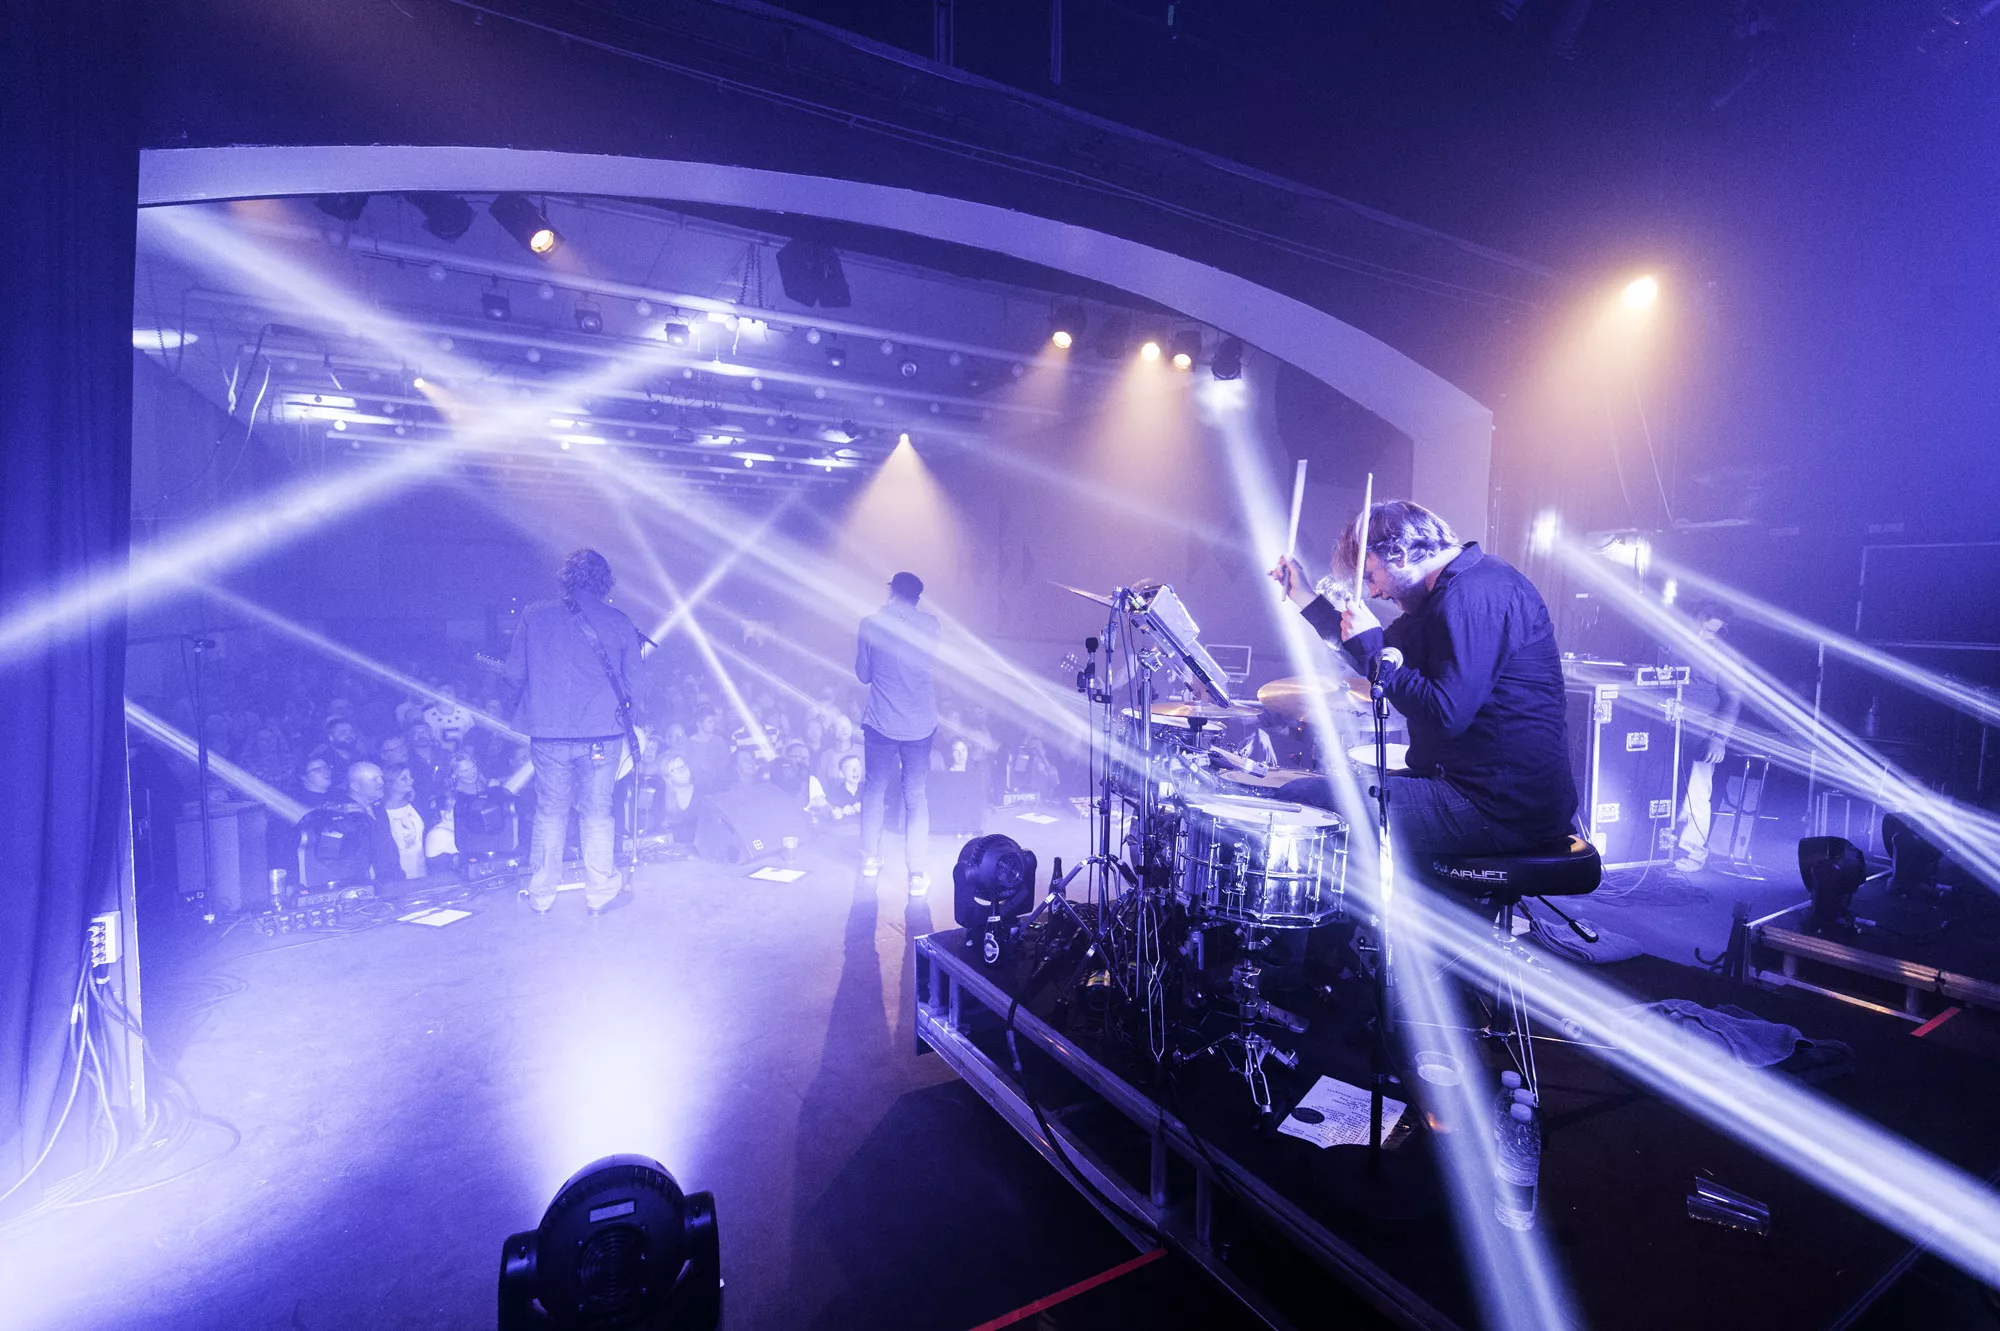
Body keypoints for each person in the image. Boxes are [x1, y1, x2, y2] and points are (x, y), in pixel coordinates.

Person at [1271, 499, 1576, 854]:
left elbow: (1445, 714)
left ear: (1399, 555)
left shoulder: (1475, 596)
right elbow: (1374, 655)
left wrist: (1372, 646)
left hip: (1501, 809)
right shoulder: (1444, 594)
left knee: (1305, 800)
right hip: (1469, 787)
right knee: (1316, 790)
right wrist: (1305, 596)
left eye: (1370, 576)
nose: (1373, 592)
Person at [504, 548, 644, 916]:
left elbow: (513, 674)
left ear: (566, 578)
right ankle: (599, 895)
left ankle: (541, 896)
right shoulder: (618, 620)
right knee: (597, 811)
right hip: (602, 733)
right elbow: (636, 683)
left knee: (550, 812)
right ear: (605, 581)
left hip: (548, 733)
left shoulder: (535, 615)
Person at [855, 570, 942, 894]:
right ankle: (916, 875)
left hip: (882, 721)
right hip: (919, 725)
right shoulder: (932, 625)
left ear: (891, 591)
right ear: (917, 598)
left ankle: (869, 860)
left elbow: (863, 675)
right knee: (916, 797)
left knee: (874, 791)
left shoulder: (871, 623)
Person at [1671, 603, 1745, 873]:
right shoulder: (1673, 644)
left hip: (1700, 735)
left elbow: (1732, 701)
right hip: (1665, 731)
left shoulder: (1725, 656)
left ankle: (1692, 853)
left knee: (1696, 794)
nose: (1703, 633)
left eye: (1711, 630)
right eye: (1700, 626)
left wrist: (1718, 738)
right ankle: (1661, 848)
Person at [380, 763, 429, 882]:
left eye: (410, 776)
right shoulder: (380, 812)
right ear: (389, 784)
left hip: (421, 869)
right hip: (396, 875)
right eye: (404, 778)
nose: (411, 780)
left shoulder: (416, 804)